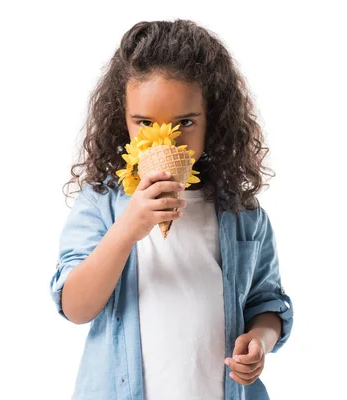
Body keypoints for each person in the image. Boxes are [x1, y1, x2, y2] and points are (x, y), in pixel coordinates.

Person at [49, 19, 293, 400]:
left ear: (213, 120)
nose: (165, 138)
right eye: (144, 122)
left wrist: (260, 340)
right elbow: (76, 307)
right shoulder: (101, 204)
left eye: (185, 123)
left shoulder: (243, 215)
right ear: (122, 120)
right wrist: (127, 229)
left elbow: (267, 302)